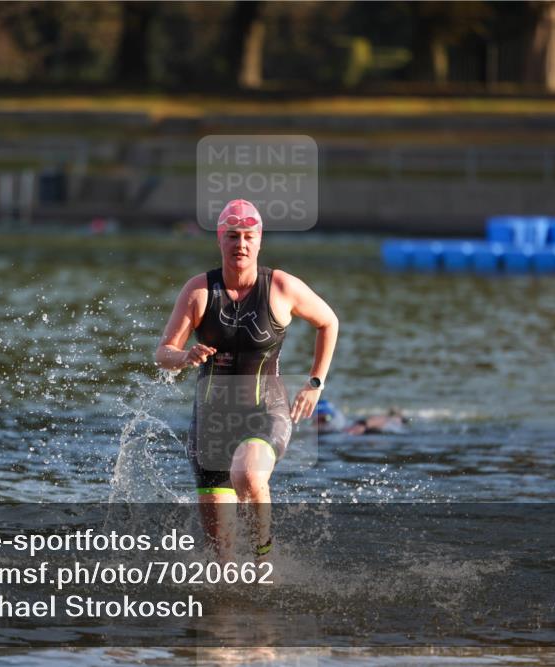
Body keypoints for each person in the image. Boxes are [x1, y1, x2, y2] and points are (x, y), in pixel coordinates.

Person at [155, 199, 338, 560]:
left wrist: (315, 383)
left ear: (259, 242)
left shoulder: (281, 287)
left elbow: (328, 322)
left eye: (248, 237)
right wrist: (184, 355)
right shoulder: (199, 291)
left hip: (264, 412)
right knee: (220, 554)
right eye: (233, 236)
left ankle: (264, 556)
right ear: (220, 240)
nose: (241, 244)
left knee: (250, 475)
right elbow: (163, 353)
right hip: (211, 424)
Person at [314, 399, 408, 436]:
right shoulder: (320, 433)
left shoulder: (351, 427)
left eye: (325, 419)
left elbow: (375, 420)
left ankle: (395, 416)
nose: (320, 423)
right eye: (317, 420)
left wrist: (363, 425)